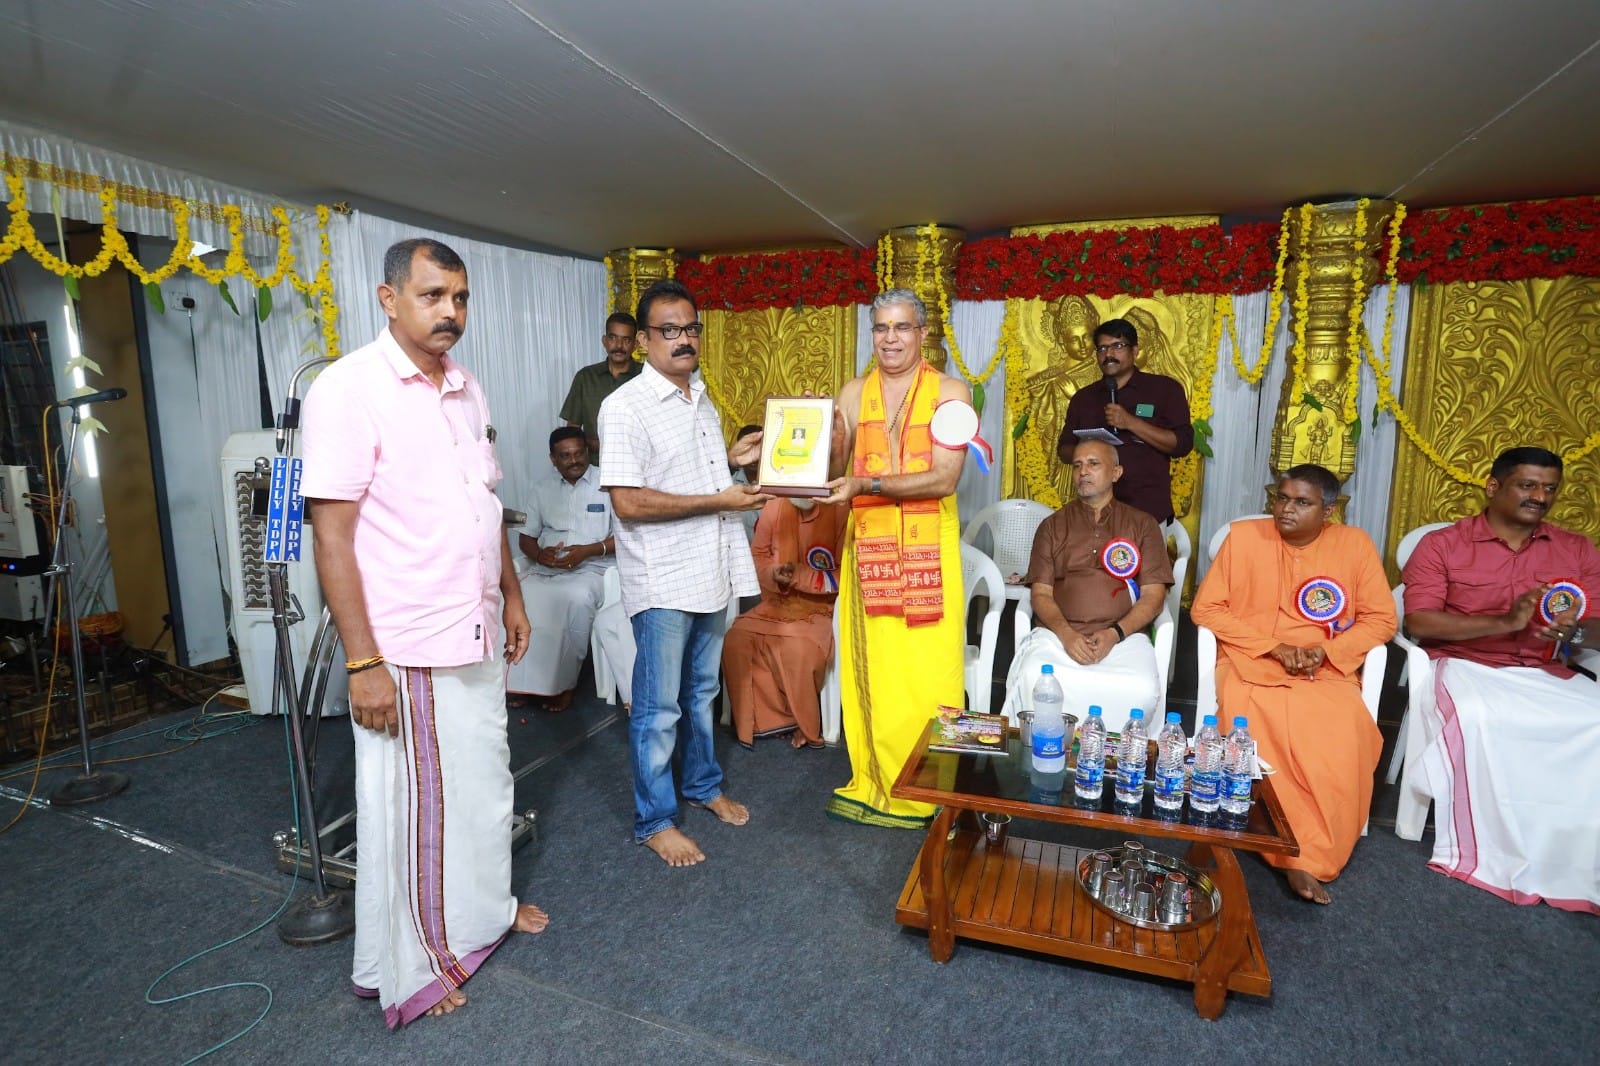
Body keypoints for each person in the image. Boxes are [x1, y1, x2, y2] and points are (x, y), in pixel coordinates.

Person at [301, 238, 547, 1027]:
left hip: (470, 624)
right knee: (415, 810)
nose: (451, 312)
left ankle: (483, 914)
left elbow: (485, 507)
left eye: (461, 298)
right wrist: (362, 661)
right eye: (434, 295)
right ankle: (414, 967)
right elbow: (332, 538)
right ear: (388, 298)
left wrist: (510, 595)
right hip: (402, 642)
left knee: (485, 785)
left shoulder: (467, 387)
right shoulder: (349, 389)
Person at [597, 279, 770, 867]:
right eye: (669, 330)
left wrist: (732, 462)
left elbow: (688, 474)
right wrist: (723, 500)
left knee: (701, 694)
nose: (684, 339)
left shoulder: (700, 397)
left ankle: (701, 786)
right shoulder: (623, 407)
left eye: (692, 328)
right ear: (643, 340)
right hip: (664, 579)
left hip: (711, 569)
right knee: (658, 707)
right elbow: (629, 501)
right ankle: (654, 819)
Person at [1399, 446, 1600, 913]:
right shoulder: (1444, 544)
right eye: (1527, 485)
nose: (1540, 497)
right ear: (1494, 487)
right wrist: (1506, 622)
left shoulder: (1577, 549)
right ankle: (1490, 853)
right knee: (1483, 716)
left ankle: (1571, 854)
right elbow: (1422, 624)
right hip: (1465, 664)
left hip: (1544, 668)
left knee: (1593, 720)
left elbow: (1599, 625)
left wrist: (1576, 629)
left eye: (1549, 488)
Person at [1191, 463, 1396, 905]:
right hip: (1251, 661)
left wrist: (1327, 652)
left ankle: (1317, 849)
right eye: (1281, 498)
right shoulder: (1245, 538)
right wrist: (1271, 646)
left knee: (1343, 731)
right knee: (1256, 727)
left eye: (1302, 502)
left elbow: (1381, 618)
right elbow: (1207, 610)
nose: (1286, 509)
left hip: (1324, 668)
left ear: (1329, 510)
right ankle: (1290, 856)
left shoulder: (1354, 545)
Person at [821, 288, 969, 829]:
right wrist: (826, 434)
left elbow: (945, 477)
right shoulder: (854, 392)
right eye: (881, 328)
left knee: (933, 671)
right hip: (870, 543)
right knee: (876, 669)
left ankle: (935, 786)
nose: (890, 339)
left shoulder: (952, 390)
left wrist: (868, 481)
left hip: (929, 545)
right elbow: (832, 469)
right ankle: (880, 782)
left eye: (901, 328)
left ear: (922, 332)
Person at [1002, 439, 1171, 733]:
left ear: (1116, 473)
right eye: (1077, 465)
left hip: (1123, 638)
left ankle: (1117, 766)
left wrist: (1114, 634)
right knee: (1032, 677)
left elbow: (1154, 596)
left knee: (1141, 689)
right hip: (1058, 636)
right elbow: (1040, 593)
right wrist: (1067, 635)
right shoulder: (1052, 526)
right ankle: (1043, 757)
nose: (1083, 472)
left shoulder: (1143, 525)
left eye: (1093, 464)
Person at [722, 496, 849, 748]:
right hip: (776, 602)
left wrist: (799, 576)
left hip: (823, 609)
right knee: (735, 639)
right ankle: (765, 722)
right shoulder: (776, 505)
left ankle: (802, 722)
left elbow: (846, 571)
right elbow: (757, 557)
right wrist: (774, 574)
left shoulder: (840, 508)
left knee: (798, 649)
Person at [506, 426, 615, 712]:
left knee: (574, 599)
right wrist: (542, 556)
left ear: (588, 452)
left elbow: (627, 537)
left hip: (595, 568)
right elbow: (526, 538)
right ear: (553, 459)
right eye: (565, 456)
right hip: (549, 569)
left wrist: (587, 551)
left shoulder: (609, 482)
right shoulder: (542, 489)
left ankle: (563, 685)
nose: (574, 460)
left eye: (580, 453)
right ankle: (524, 684)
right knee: (518, 599)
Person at [1055, 317, 1193, 524]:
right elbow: (1064, 450)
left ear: (1135, 351)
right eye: (1101, 349)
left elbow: (1182, 444)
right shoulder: (1084, 398)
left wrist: (1130, 422)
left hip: (1147, 511)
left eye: (1117, 346)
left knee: (1146, 558)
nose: (1108, 354)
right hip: (1093, 512)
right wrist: (1091, 450)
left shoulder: (1164, 389)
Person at [560, 311, 641, 457]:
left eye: (626, 340)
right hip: (595, 468)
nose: (619, 346)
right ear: (604, 341)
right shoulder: (585, 377)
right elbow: (573, 430)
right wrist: (593, 445)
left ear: (635, 344)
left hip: (639, 466)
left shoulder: (647, 377)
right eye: (613, 338)